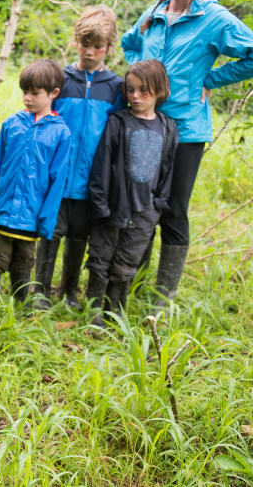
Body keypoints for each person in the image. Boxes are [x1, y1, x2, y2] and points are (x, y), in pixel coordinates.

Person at [121, 0, 253, 305]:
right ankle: (132, 283)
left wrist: (210, 80)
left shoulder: (215, 20)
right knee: (142, 205)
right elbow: (130, 43)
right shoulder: (155, 11)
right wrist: (137, 78)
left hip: (186, 130)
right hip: (145, 125)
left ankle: (163, 298)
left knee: (173, 209)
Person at [33, 5, 124, 311]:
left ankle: (69, 291)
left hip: (90, 180)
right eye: (85, 45)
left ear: (109, 48)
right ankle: (40, 290)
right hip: (57, 176)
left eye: (98, 47)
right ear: (76, 42)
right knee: (51, 231)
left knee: (78, 235)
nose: (90, 52)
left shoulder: (114, 87)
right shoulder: (61, 78)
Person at [85, 60, 178, 326]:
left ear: (160, 91)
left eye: (143, 90)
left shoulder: (169, 128)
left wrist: (157, 206)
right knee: (100, 257)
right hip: (113, 207)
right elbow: (102, 165)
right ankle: (93, 312)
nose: (135, 96)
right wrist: (101, 204)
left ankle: (115, 313)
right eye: (130, 89)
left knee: (126, 263)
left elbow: (168, 169)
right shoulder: (118, 122)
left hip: (146, 211)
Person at [0, 59, 72, 310]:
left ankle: (20, 302)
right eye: (24, 92)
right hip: (4, 207)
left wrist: (46, 219)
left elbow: (57, 182)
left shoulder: (61, 133)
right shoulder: (12, 124)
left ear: (53, 94)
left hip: (33, 213)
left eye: (34, 93)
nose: (27, 98)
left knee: (25, 258)